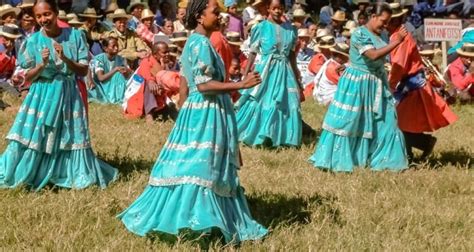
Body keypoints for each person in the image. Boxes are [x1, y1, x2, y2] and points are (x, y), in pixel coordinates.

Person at [118, 0, 268, 242]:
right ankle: (195, 219)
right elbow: (204, 85)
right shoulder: (199, 43)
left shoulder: (201, 41)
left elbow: (188, 82)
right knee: (199, 165)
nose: (220, 16)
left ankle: (204, 219)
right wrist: (241, 84)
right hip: (205, 110)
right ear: (199, 16)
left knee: (204, 164)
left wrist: (183, 106)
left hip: (207, 109)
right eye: (215, 12)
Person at [0, 0, 118, 190]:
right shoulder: (32, 42)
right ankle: (32, 172)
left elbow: (82, 69)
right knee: (37, 135)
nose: (43, 19)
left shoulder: (75, 36)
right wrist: (42, 64)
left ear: (56, 13)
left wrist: (65, 58)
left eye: (47, 14)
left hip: (68, 92)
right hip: (41, 95)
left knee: (69, 136)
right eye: (39, 16)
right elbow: (24, 77)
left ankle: (65, 173)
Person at [309, 2, 408, 172]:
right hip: (357, 84)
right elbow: (373, 55)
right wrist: (396, 42)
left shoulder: (381, 36)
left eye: (388, 22)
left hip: (376, 84)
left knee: (387, 120)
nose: (385, 25)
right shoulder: (359, 33)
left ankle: (386, 163)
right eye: (383, 21)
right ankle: (342, 160)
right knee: (351, 123)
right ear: (373, 16)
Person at [387, 3, 457, 161]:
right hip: (411, 85)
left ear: (392, 21)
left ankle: (416, 150)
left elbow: (399, 65)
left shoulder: (400, 37)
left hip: (412, 87)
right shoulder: (397, 36)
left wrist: (390, 85)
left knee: (398, 123)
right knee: (402, 123)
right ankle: (418, 148)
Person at [236, 0, 302, 148]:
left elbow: (291, 55)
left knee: (290, 102)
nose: (278, 11)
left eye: (281, 8)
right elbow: (252, 53)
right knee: (265, 102)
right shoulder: (260, 27)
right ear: (268, 9)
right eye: (275, 8)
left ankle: (285, 138)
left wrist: (296, 75)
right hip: (266, 69)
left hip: (285, 70)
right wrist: (246, 74)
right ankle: (262, 135)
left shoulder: (291, 30)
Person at [88, 37, 130, 104]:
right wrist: (116, 69)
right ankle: (115, 98)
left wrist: (126, 72)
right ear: (105, 48)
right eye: (113, 46)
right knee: (117, 74)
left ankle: (121, 97)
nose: (116, 48)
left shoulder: (121, 59)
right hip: (102, 86)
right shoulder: (99, 59)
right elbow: (101, 78)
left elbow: (128, 76)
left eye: (117, 46)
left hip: (114, 84)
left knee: (120, 75)